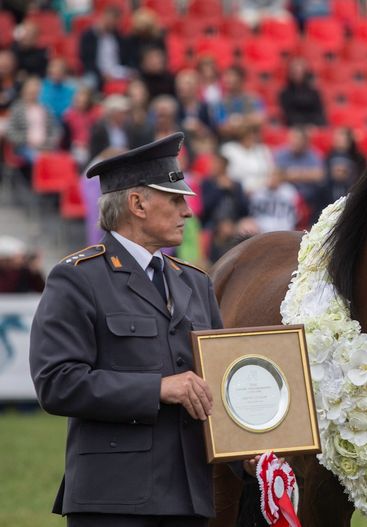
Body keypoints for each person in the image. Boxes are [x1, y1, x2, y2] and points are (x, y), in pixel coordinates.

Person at [29, 132, 225, 526]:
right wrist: (159, 388)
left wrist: (252, 448)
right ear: (137, 203)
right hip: (114, 500)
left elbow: (220, 380)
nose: (187, 211)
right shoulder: (78, 278)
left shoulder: (195, 282)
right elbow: (57, 382)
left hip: (191, 498)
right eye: (175, 199)